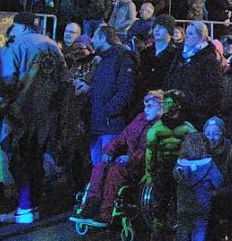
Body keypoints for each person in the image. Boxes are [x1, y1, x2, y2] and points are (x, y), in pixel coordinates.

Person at [0, 12, 68, 225]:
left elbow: (6, 80)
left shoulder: (14, 44)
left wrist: (0, 108)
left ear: (20, 25)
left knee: (18, 161)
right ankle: (34, 207)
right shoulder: (52, 45)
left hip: (20, 113)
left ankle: (23, 208)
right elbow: (64, 80)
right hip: (47, 114)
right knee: (36, 160)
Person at [71, 88, 165, 229]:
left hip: (143, 166)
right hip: (128, 161)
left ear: (161, 107)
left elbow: (150, 151)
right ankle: (90, 206)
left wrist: (130, 158)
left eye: (150, 106)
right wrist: (109, 150)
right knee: (100, 166)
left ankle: (105, 214)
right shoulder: (140, 119)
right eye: (145, 105)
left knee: (115, 171)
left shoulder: (162, 127)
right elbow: (123, 136)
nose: (146, 109)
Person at [144, 89, 196, 241]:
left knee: (182, 207)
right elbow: (150, 152)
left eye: (168, 102)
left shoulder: (188, 129)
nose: (165, 106)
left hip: (181, 173)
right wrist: (149, 174)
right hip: (162, 172)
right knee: (158, 206)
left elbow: (195, 151)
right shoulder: (156, 129)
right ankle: (157, 238)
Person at [85, 25, 138, 166]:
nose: (92, 40)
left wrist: (107, 112)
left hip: (111, 125)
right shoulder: (103, 60)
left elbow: (125, 91)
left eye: (95, 37)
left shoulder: (122, 59)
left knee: (107, 167)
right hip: (98, 124)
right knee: (97, 168)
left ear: (103, 38)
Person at [172, 131, 223, 241]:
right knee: (200, 226)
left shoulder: (179, 164)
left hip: (183, 203)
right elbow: (218, 181)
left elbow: (174, 177)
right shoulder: (209, 164)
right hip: (202, 203)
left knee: (183, 225)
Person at [163, 21, 225, 127]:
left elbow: (214, 89)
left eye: (191, 34)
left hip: (195, 115)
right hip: (175, 110)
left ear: (201, 37)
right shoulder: (179, 56)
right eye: (186, 33)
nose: (187, 36)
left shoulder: (209, 60)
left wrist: (195, 105)